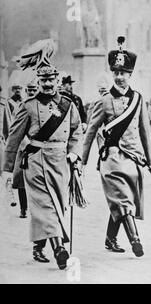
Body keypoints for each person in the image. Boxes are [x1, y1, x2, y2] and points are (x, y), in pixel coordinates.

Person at [1, 53, 83, 269]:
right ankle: (59, 249)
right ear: (38, 82)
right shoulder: (28, 106)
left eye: (51, 80)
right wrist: (7, 169)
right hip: (36, 163)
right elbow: (13, 139)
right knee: (45, 206)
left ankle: (38, 246)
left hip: (61, 163)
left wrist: (74, 153)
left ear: (57, 81)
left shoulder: (68, 105)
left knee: (57, 206)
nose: (47, 84)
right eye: (43, 81)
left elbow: (76, 133)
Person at [82, 37, 151, 257]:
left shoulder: (138, 100)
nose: (119, 76)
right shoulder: (103, 101)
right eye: (116, 72)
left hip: (133, 160)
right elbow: (91, 132)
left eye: (123, 73)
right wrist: (81, 161)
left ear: (130, 75)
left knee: (123, 200)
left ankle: (110, 238)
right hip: (111, 160)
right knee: (123, 200)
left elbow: (144, 132)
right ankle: (136, 240)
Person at [10, 78, 39, 219]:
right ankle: (23, 208)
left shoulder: (40, 105)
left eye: (34, 89)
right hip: (23, 147)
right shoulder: (21, 106)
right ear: (26, 91)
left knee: (36, 180)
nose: (32, 92)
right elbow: (15, 129)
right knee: (21, 179)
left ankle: (36, 208)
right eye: (30, 90)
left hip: (38, 148)